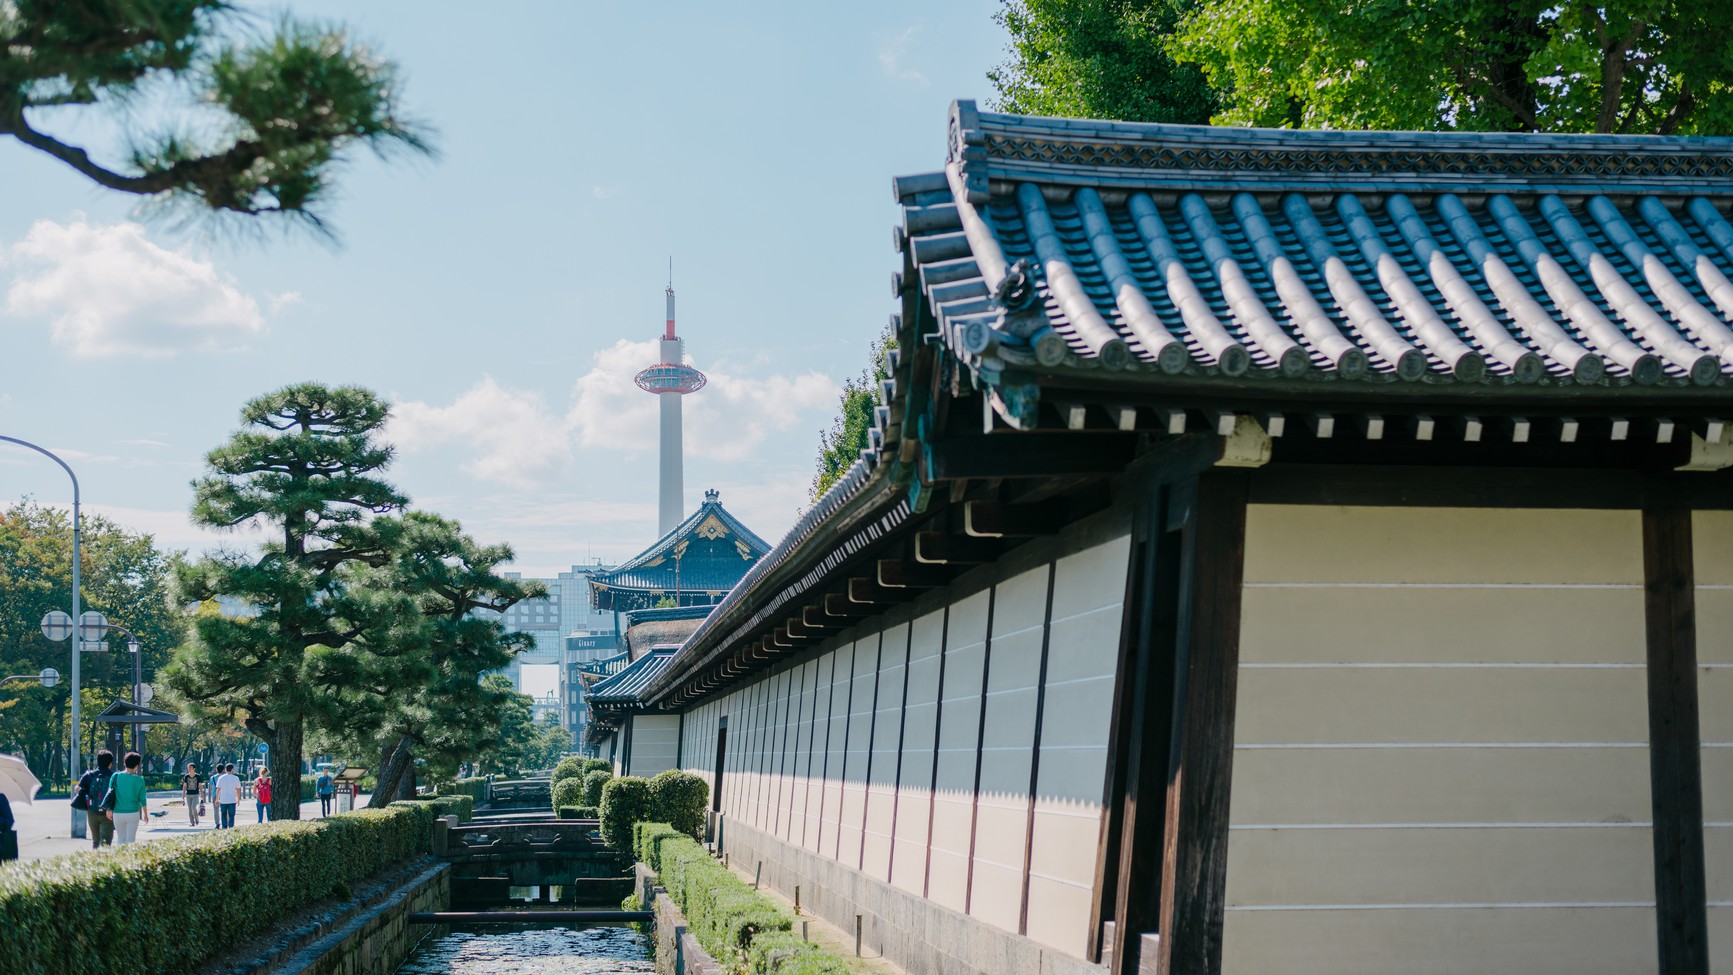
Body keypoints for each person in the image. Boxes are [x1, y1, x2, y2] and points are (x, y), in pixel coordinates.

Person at [73, 750, 116, 849]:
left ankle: (94, 861)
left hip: (92, 811)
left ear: (97, 761)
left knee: (95, 841)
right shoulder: (114, 776)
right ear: (110, 763)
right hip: (108, 812)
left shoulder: (89, 775)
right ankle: (105, 862)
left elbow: (77, 789)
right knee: (106, 842)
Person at [104, 751, 149, 845]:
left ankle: (120, 858)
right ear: (137, 765)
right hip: (133, 813)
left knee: (120, 838)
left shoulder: (115, 776)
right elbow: (142, 799)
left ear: (125, 763)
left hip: (117, 812)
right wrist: (145, 814)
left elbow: (110, 793)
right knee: (130, 840)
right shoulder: (139, 780)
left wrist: (108, 809)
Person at [213, 763, 241, 829]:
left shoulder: (221, 778)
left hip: (223, 800)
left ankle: (224, 827)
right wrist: (238, 799)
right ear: (232, 770)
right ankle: (231, 827)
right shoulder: (236, 778)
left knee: (223, 814)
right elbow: (238, 789)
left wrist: (217, 799)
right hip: (232, 800)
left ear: (225, 769)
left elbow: (218, 789)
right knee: (231, 815)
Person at [181, 763, 205, 827]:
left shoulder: (198, 776)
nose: (189, 769)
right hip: (188, 794)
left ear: (194, 768)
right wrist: (183, 794)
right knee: (189, 809)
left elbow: (200, 786)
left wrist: (202, 794)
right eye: (188, 768)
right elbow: (185, 786)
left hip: (196, 794)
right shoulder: (186, 776)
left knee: (193, 807)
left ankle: (196, 819)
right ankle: (192, 822)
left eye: (190, 768)